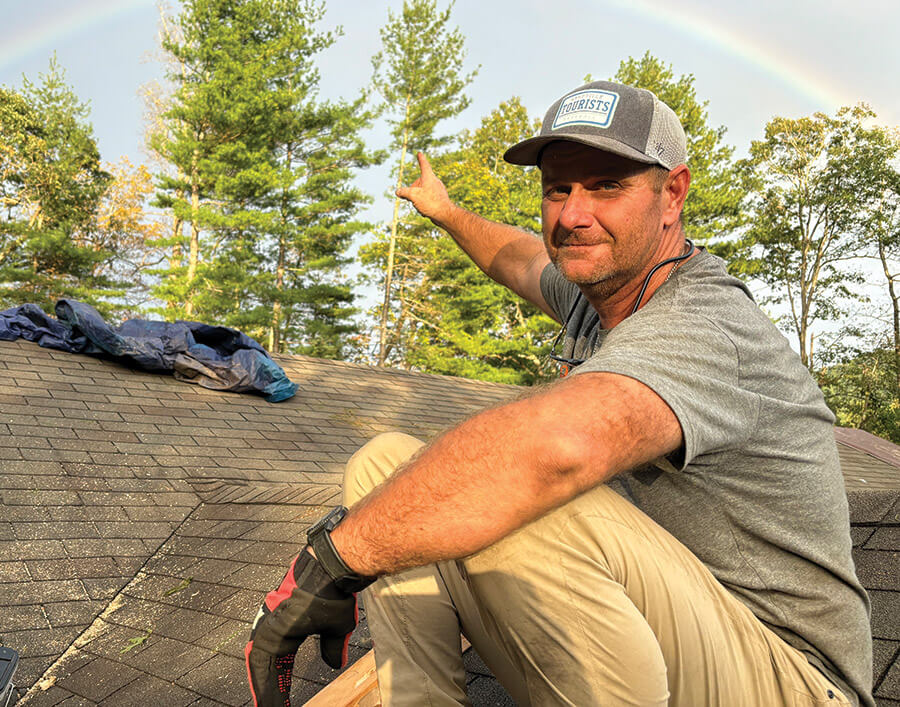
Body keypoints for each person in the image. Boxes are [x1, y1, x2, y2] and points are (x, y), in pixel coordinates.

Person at [244, 80, 873, 706]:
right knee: (382, 465)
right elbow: (518, 258)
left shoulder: (705, 324)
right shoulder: (599, 294)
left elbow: (555, 450)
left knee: (521, 491)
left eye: (606, 186)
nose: (572, 215)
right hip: (657, 644)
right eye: (557, 189)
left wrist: (332, 562)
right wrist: (445, 211)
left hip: (788, 679)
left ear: (672, 194)